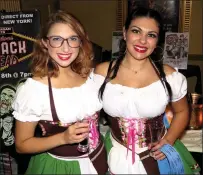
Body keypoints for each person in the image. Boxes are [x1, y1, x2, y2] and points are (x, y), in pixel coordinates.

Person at [93, 7, 200, 174]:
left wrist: (169, 140)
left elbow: (182, 111)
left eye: (151, 35)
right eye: (136, 31)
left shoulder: (169, 77)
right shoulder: (101, 73)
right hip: (115, 153)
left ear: (157, 41)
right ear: (124, 33)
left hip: (157, 157)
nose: (142, 41)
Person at [12, 10, 108, 174]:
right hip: (60, 166)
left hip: (98, 159)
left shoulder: (91, 77)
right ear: (45, 43)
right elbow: (21, 145)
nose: (65, 48)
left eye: (72, 39)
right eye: (57, 39)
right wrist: (62, 138)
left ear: (80, 42)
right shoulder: (34, 89)